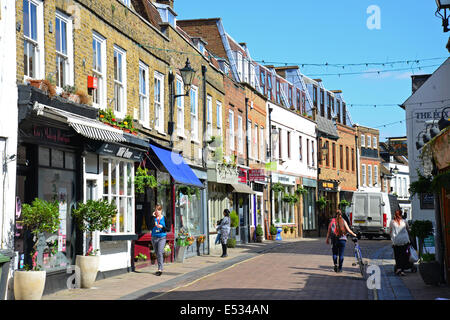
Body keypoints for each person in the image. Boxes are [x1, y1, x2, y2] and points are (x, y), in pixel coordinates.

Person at [389, 209, 412, 276]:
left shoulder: (392, 222)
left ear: (395, 215)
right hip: (405, 240)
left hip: (396, 241)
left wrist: (392, 239)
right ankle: (401, 270)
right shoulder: (404, 221)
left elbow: (390, 232)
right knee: (404, 255)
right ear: (401, 214)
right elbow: (408, 229)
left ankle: (399, 269)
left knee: (397, 255)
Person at [149, 204, 169, 276]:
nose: (157, 211)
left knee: (160, 252)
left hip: (162, 237)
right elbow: (150, 227)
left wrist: (162, 227)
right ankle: (159, 267)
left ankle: (160, 269)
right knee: (157, 253)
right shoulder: (153, 218)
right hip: (154, 237)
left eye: (158, 210)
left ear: (161, 210)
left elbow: (168, 229)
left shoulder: (164, 218)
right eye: (156, 210)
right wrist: (152, 216)